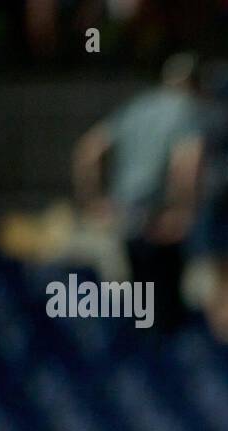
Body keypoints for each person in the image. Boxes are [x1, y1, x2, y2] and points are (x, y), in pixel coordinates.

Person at [72, 51, 205, 333]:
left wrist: (91, 201)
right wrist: (183, 210)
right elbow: (187, 165)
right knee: (168, 309)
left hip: (126, 214)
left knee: (140, 304)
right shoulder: (187, 110)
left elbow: (88, 150)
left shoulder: (137, 107)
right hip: (160, 217)